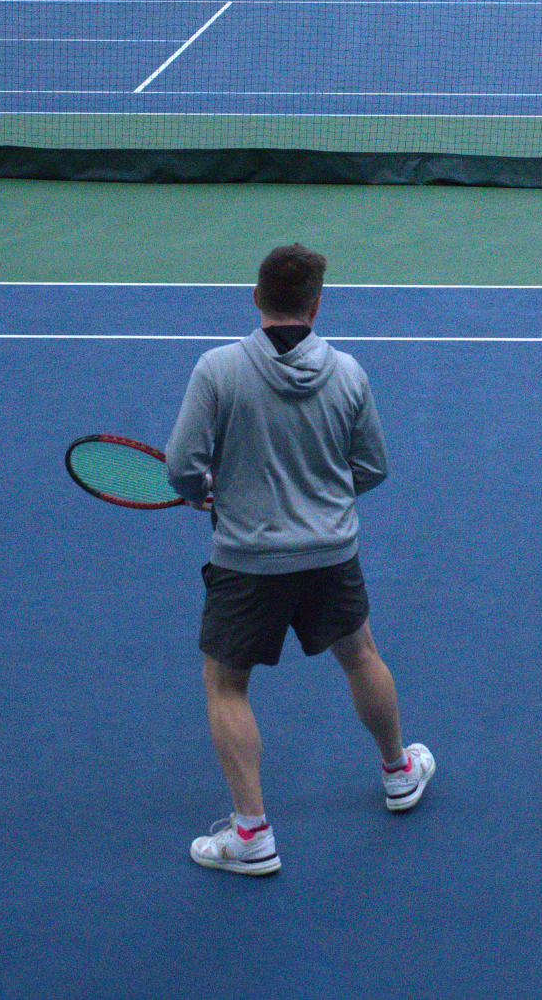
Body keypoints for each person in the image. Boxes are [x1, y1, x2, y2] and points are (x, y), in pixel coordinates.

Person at [165, 244, 433, 876]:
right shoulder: (348, 374)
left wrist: (201, 492)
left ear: (256, 297)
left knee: (225, 684)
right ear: (317, 304)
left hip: (246, 560)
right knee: (361, 655)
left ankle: (252, 835)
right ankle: (398, 773)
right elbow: (372, 467)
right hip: (329, 552)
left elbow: (181, 467)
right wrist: (322, 501)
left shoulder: (218, 369)